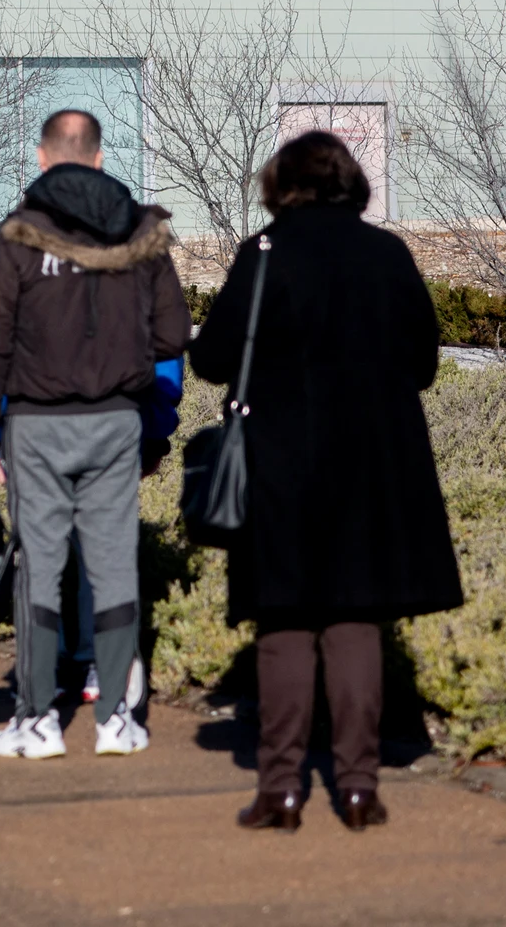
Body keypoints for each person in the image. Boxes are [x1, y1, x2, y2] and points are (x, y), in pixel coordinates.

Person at [191, 131, 464, 832]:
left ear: (281, 184)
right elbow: (426, 364)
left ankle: (280, 789)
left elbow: (215, 357)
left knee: (284, 624)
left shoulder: (265, 252)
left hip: (280, 459)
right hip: (374, 464)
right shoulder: (389, 254)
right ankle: (357, 788)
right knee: (354, 621)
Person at [0, 109, 191, 758]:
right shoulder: (144, 231)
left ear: (41, 157)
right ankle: (119, 716)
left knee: (41, 566)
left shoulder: (15, 236)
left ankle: (37, 719)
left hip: (36, 421)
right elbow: (174, 335)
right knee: (114, 567)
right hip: (117, 417)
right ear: (96, 157)